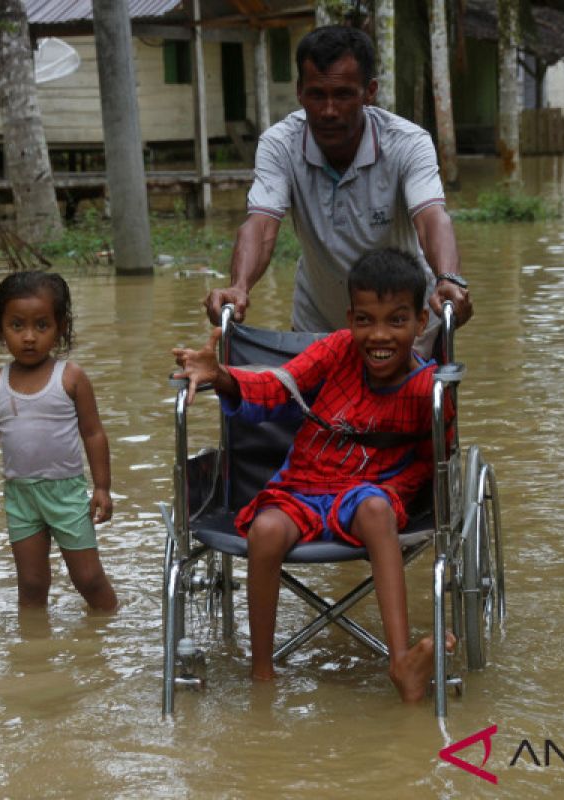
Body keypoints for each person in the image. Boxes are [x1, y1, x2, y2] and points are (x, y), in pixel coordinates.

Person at [175, 249, 455, 702]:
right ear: (350, 319)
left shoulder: (429, 387)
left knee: (376, 508)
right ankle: (261, 675)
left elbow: (436, 458)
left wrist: (407, 492)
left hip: (373, 491)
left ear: (421, 323)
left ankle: (401, 661)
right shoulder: (337, 349)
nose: (379, 335)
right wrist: (223, 376)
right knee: (265, 529)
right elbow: (276, 386)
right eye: (366, 321)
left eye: (396, 321)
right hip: (304, 484)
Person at [204, 25, 472, 354]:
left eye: (343, 95)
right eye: (317, 95)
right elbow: (260, 225)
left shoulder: (407, 142)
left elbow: (432, 218)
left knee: (421, 402)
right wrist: (239, 286)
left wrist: (449, 278)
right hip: (318, 325)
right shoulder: (280, 144)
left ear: (369, 92)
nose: (329, 111)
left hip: (403, 330)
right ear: (300, 92)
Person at [0, 271, 117, 612]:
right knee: (32, 585)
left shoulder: (71, 378)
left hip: (66, 493)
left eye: (41, 325)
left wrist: (102, 487)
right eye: (17, 326)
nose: (29, 337)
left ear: (60, 327)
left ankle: (109, 635)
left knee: (89, 579)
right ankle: (33, 656)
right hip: (21, 496)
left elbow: (93, 434)